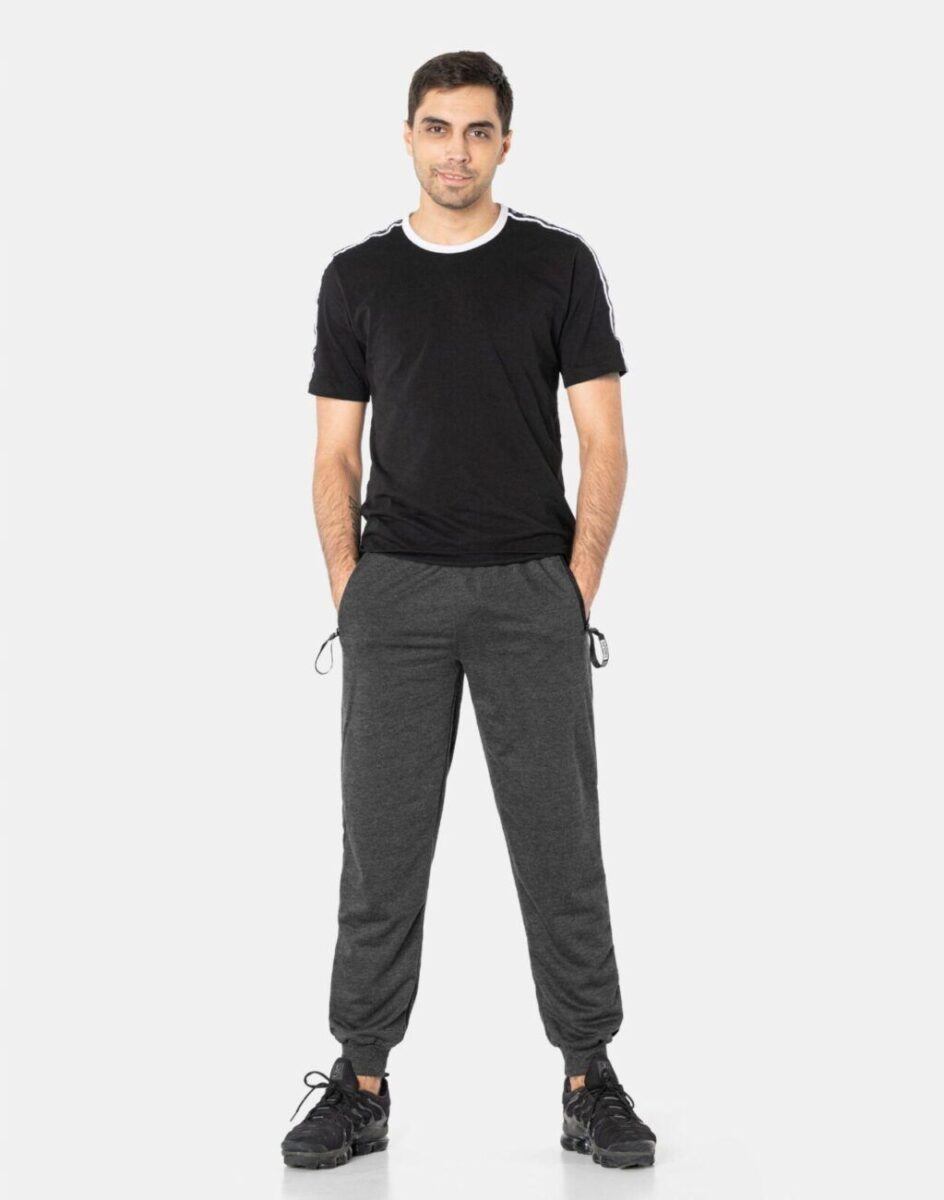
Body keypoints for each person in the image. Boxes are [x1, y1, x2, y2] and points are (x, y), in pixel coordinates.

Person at [281, 50, 657, 1172]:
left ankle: (588, 1077)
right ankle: (359, 1080)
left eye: (478, 130)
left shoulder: (556, 265)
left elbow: (603, 441)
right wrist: (353, 591)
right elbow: (332, 452)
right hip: (395, 592)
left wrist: (571, 587)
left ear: (505, 143)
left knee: (560, 845)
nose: (457, 150)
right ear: (407, 135)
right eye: (438, 128)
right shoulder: (357, 277)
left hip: (527, 590)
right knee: (380, 850)